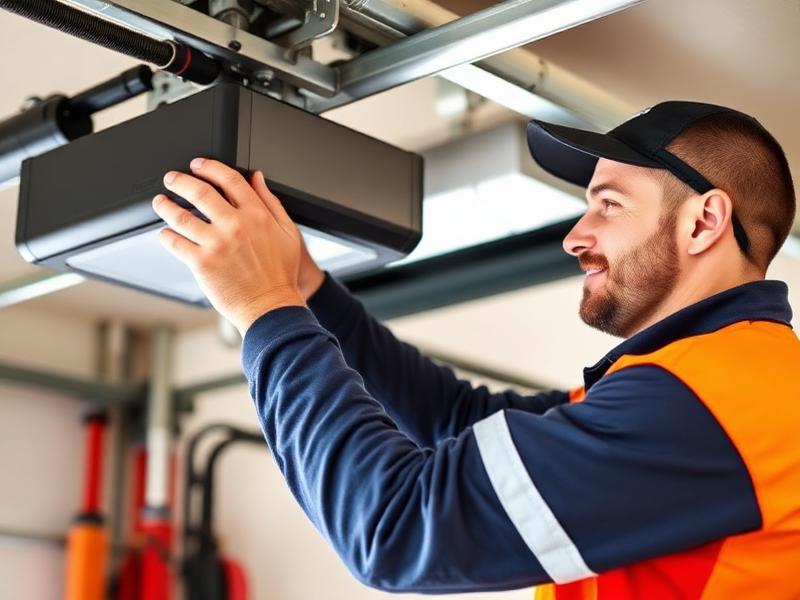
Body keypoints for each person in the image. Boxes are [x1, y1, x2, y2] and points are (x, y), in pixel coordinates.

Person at [151, 101, 800, 599]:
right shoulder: (715, 384)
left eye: (608, 205)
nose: (576, 236)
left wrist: (265, 308)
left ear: (703, 221)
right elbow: (456, 422)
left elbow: (395, 530)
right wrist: (306, 289)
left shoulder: (717, 402)